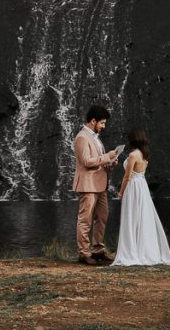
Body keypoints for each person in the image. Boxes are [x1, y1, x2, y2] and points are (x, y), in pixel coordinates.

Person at [112, 128, 170, 266]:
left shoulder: (133, 155)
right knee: (142, 217)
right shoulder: (144, 154)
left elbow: (127, 177)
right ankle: (142, 250)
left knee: (131, 217)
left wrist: (120, 192)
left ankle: (132, 251)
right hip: (142, 186)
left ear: (133, 140)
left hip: (133, 187)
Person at [72, 104, 119, 265]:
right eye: (102, 123)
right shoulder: (81, 138)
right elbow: (86, 162)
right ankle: (83, 253)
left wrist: (110, 162)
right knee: (85, 220)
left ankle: (98, 250)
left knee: (102, 217)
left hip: (100, 185)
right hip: (88, 185)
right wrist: (107, 156)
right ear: (93, 121)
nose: (104, 126)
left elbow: (98, 161)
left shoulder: (95, 138)